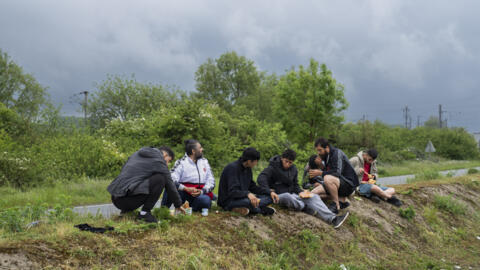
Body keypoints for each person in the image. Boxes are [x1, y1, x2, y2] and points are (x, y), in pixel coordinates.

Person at [258, 149, 349, 228]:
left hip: (292, 194)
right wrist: (268, 190)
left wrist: (302, 192)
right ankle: (304, 207)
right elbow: (261, 178)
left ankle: (333, 219)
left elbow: (295, 185)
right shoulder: (273, 167)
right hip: (277, 195)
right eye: (286, 161)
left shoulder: (293, 169)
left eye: (290, 162)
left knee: (313, 196)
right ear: (282, 158)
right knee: (288, 197)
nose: (287, 164)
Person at [107, 146, 185, 223]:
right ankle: (145, 213)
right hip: (128, 200)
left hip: (115, 198)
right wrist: (178, 204)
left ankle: (125, 211)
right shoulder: (159, 159)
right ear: (165, 155)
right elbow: (169, 183)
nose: (167, 164)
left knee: (142, 178)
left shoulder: (136, 154)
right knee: (161, 178)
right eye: (168, 161)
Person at [217, 147, 277, 216]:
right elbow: (233, 192)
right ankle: (259, 209)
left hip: (242, 198)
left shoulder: (248, 169)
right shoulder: (232, 168)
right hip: (229, 201)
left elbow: (253, 187)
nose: (256, 163)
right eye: (256, 161)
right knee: (248, 201)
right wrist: (247, 194)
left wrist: (269, 192)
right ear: (249, 161)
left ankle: (252, 208)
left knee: (270, 197)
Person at [162, 139, 215, 211]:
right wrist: (185, 188)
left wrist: (202, 191)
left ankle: (188, 210)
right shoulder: (181, 162)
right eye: (200, 148)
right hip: (184, 193)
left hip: (199, 194)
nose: (202, 149)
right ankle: (163, 210)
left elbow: (211, 181)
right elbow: (171, 179)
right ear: (193, 151)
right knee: (170, 187)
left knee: (205, 200)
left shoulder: (205, 162)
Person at [311, 138, 359, 214]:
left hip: (348, 184)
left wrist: (320, 173)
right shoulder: (326, 156)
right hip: (338, 183)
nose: (318, 153)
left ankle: (336, 205)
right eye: (317, 150)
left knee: (327, 179)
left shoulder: (336, 153)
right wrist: (321, 166)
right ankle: (341, 200)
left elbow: (336, 172)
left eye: (320, 150)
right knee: (313, 193)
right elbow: (329, 171)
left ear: (326, 147)